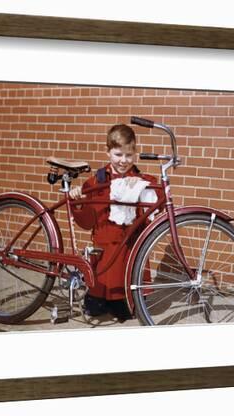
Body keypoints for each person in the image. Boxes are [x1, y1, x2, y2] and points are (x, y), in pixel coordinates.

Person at [69, 124, 159, 321]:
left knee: (126, 313)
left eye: (128, 155)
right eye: (118, 154)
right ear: (108, 152)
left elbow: (159, 195)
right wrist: (77, 202)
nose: (123, 161)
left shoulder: (141, 180)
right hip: (103, 257)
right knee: (95, 308)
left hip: (129, 252)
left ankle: (123, 302)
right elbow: (86, 222)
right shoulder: (96, 183)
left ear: (135, 153)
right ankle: (98, 300)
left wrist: (142, 184)